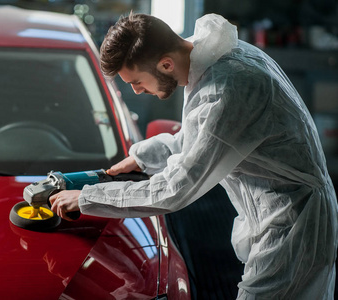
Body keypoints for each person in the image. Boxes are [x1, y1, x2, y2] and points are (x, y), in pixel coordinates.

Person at [50, 12, 338, 299]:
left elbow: (177, 189)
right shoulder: (208, 59)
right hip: (280, 215)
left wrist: (89, 198)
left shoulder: (227, 88)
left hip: (293, 229)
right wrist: (142, 157)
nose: (136, 91)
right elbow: (198, 137)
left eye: (136, 81)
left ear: (165, 64)